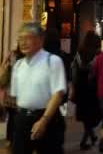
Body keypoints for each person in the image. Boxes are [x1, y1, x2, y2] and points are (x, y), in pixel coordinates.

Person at [10, 22, 67, 154]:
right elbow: (15, 97)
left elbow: (58, 94)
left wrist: (44, 120)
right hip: (23, 119)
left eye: (27, 38)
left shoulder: (52, 61)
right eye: (20, 39)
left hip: (48, 118)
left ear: (40, 40)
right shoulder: (18, 65)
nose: (23, 42)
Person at [70, 31, 102, 150]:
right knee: (92, 114)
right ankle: (84, 141)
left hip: (81, 87)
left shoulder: (79, 53)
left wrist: (74, 86)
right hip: (93, 87)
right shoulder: (98, 54)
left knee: (85, 114)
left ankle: (91, 136)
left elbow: (73, 71)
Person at [0, 41, 24, 150]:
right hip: (18, 92)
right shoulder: (26, 57)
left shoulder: (11, 54)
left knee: (11, 117)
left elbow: (2, 68)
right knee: (16, 117)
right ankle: (15, 140)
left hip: (9, 90)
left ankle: (10, 140)